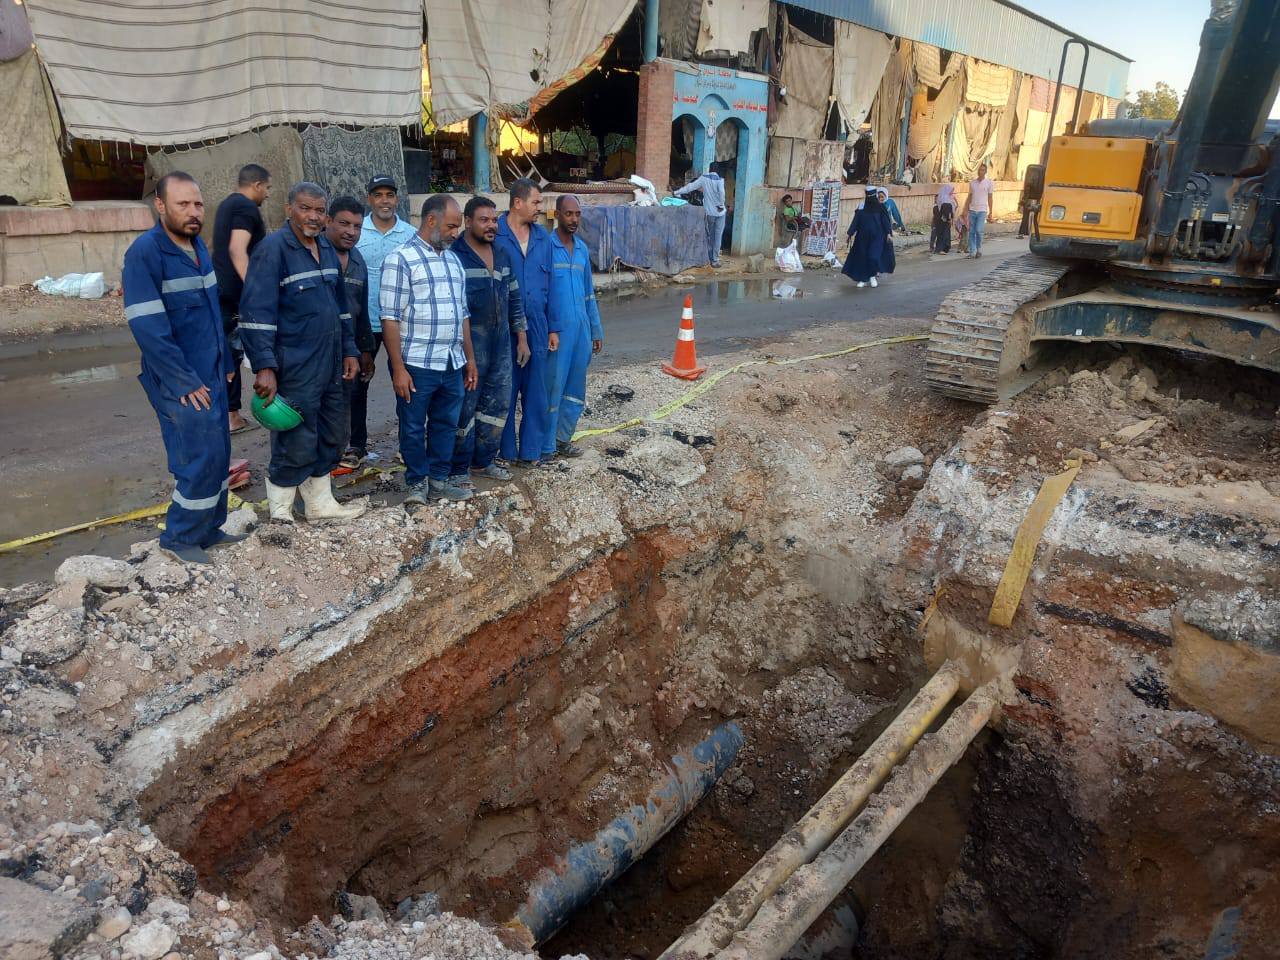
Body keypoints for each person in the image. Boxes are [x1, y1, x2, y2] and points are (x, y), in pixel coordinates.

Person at [123, 171, 239, 564]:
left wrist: (225, 361)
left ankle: (209, 528)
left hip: (211, 372)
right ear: (160, 206)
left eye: (198, 204)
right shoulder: (145, 253)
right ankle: (180, 537)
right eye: (182, 205)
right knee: (198, 455)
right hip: (179, 378)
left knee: (220, 451)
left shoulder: (196, 247)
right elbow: (149, 328)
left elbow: (211, 313)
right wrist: (182, 380)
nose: (193, 212)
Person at [239, 182, 364, 523]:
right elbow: (256, 314)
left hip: (331, 361)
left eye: (319, 210)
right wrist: (264, 366)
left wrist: (350, 350)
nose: (313, 216)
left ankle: (320, 505)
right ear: (288, 209)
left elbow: (340, 307)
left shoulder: (325, 246)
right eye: (305, 208)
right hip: (293, 363)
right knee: (295, 434)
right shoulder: (272, 250)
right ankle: (280, 513)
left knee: (332, 432)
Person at [379, 194, 478, 504]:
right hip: (417, 364)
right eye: (451, 226)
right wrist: (398, 368)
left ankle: (438, 480)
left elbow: (462, 314)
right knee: (411, 426)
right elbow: (390, 317)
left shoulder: (453, 260)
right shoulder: (401, 259)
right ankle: (416, 482)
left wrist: (470, 360)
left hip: (451, 362)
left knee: (446, 423)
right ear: (431, 221)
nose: (455, 233)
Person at [448, 196, 529, 487]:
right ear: (468, 222)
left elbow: (516, 298)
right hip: (469, 346)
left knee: (496, 406)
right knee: (464, 407)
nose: (491, 225)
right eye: (484, 220)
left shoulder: (503, 253)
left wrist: (521, 337)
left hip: (501, 345)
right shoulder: (454, 255)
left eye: (494, 220)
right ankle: (458, 469)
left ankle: (483, 462)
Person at [347, 175, 417, 468]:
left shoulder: (410, 234)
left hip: (401, 323)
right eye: (378, 195)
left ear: (397, 200)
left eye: (390, 195)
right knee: (357, 384)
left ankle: (407, 446)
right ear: (369, 199)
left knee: (406, 384)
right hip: (364, 322)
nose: (384, 200)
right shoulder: (356, 232)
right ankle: (356, 446)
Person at [496, 178, 553, 466]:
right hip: (503, 327)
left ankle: (531, 452)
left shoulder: (543, 238)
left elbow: (551, 285)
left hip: (538, 327)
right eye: (536, 202)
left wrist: (553, 328)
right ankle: (505, 451)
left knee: (536, 392)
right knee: (505, 389)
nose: (540, 208)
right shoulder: (496, 234)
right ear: (517, 203)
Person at [210, 163, 270, 434]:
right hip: (235, 294)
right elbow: (237, 249)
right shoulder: (246, 208)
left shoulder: (227, 205)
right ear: (256, 185)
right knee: (232, 354)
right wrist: (255, 288)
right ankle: (232, 417)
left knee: (226, 352)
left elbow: (217, 246)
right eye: (266, 188)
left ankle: (226, 413)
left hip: (221, 289)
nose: (267, 194)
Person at [544, 195, 603, 459]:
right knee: (552, 387)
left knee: (575, 388)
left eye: (577, 214)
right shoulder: (545, 247)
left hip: (581, 332)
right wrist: (547, 330)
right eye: (569, 214)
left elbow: (588, 293)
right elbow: (541, 294)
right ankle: (545, 445)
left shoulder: (581, 250)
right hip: (557, 334)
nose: (574, 219)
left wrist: (596, 329)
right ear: (557, 215)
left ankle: (563, 439)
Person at [323, 197, 375, 474]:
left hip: (351, 345)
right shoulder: (314, 254)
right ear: (328, 221)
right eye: (344, 224)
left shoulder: (358, 260)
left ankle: (356, 446)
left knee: (356, 394)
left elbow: (362, 308)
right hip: (319, 348)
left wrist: (365, 349)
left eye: (357, 226)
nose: (350, 232)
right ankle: (323, 455)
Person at [674, 169, 727, 267]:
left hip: (710, 213)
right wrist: (720, 204)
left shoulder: (704, 179)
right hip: (721, 213)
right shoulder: (720, 180)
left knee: (710, 236)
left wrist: (677, 192)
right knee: (718, 236)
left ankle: (708, 258)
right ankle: (715, 260)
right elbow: (722, 193)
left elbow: (690, 187)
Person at [842, 191, 892, 288]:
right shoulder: (861, 207)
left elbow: (885, 221)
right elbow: (856, 221)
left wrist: (888, 233)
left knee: (873, 256)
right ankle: (863, 279)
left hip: (877, 237)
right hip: (862, 238)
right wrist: (850, 233)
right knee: (863, 258)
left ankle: (872, 276)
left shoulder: (880, 207)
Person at [962, 162, 995, 258]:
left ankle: (979, 248)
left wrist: (991, 212)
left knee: (978, 230)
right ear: (977, 171)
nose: (981, 172)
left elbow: (990, 197)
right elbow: (970, 196)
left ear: (985, 172)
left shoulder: (989, 183)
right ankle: (972, 252)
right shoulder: (972, 183)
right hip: (972, 209)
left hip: (982, 210)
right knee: (971, 231)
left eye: (983, 170)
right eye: (980, 170)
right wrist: (965, 209)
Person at [874, 188, 898, 279]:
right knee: (876, 250)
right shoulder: (874, 205)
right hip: (877, 231)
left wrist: (901, 225)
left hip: (886, 231)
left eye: (882, 197)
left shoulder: (890, 203)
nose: (880, 199)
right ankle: (875, 269)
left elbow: (896, 213)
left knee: (885, 251)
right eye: (879, 197)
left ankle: (882, 268)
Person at [931, 182, 957, 254]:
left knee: (941, 234)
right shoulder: (946, 199)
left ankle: (940, 249)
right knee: (944, 234)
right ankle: (942, 249)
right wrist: (949, 219)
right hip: (944, 220)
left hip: (940, 220)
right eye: (951, 190)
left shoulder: (943, 197)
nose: (952, 192)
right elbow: (947, 211)